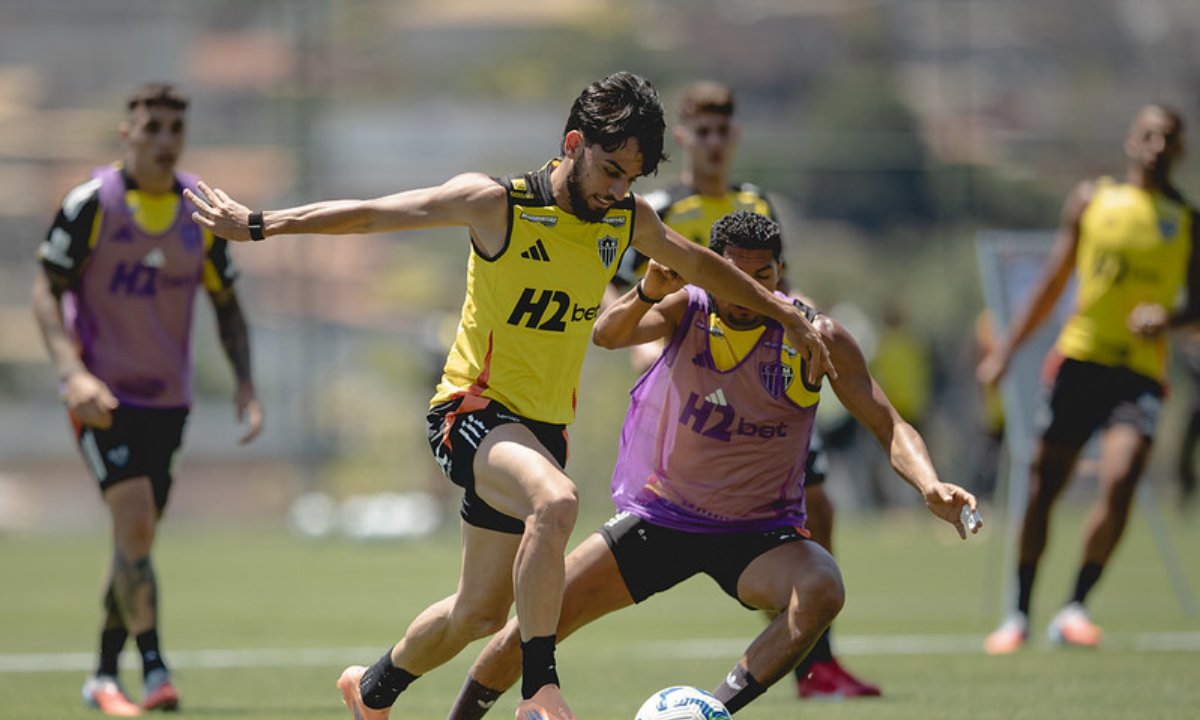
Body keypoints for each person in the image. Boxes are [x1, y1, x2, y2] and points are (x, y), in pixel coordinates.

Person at [182, 72, 835, 720]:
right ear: (573, 142)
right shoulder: (496, 203)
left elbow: (705, 267)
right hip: (469, 410)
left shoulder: (627, 219)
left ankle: (372, 691)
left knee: (479, 612)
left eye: (630, 179)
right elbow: (373, 214)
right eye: (609, 170)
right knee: (558, 502)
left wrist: (789, 316)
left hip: (541, 431)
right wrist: (260, 224)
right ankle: (539, 693)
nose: (617, 190)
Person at [443, 211, 980, 720]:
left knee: (821, 588)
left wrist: (929, 485)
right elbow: (608, 335)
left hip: (758, 534)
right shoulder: (687, 308)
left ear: (780, 274)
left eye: (763, 275)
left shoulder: (818, 337)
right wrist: (651, 287)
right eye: (732, 273)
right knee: (531, 629)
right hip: (662, 518)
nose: (747, 290)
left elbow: (889, 425)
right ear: (712, 268)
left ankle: (709, 711)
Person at [615, 79, 880, 699]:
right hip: (695, 376)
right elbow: (621, 288)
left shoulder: (756, 201)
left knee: (820, 507)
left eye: (722, 130)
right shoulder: (661, 207)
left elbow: (780, 285)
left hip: (769, 381)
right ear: (683, 139)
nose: (712, 142)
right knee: (688, 505)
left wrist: (811, 321)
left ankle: (817, 661)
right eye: (700, 131)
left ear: (735, 138)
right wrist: (648, 344)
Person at [30, 83, 264, 716]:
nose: (164, 140)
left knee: (134, 542)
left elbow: (227, 304)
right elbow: (45, 292)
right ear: (126, 134)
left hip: (170, 403)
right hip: (100, 397)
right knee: (133, 522)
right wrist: (72, 373)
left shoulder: (202, 215)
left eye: (174, 129)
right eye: (151, 127)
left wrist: (244, 385)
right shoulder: (89, 205)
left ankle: (103, 676)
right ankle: (156, 669)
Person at [978, 104, 1199, 654]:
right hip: (1080, 362)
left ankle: (1074, 607)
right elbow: (1053, 282)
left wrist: (1166, 319)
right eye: (1147, 134)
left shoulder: (1187, 220)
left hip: (1139, 373)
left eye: (1167, 137)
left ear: (1181, 150)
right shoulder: (1093, 199)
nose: (1156, 145)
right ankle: (1019, 614)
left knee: (1122, 479)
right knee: (1043, 488)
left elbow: (1197, 305)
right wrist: (1006, 351)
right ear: (1130, 140)